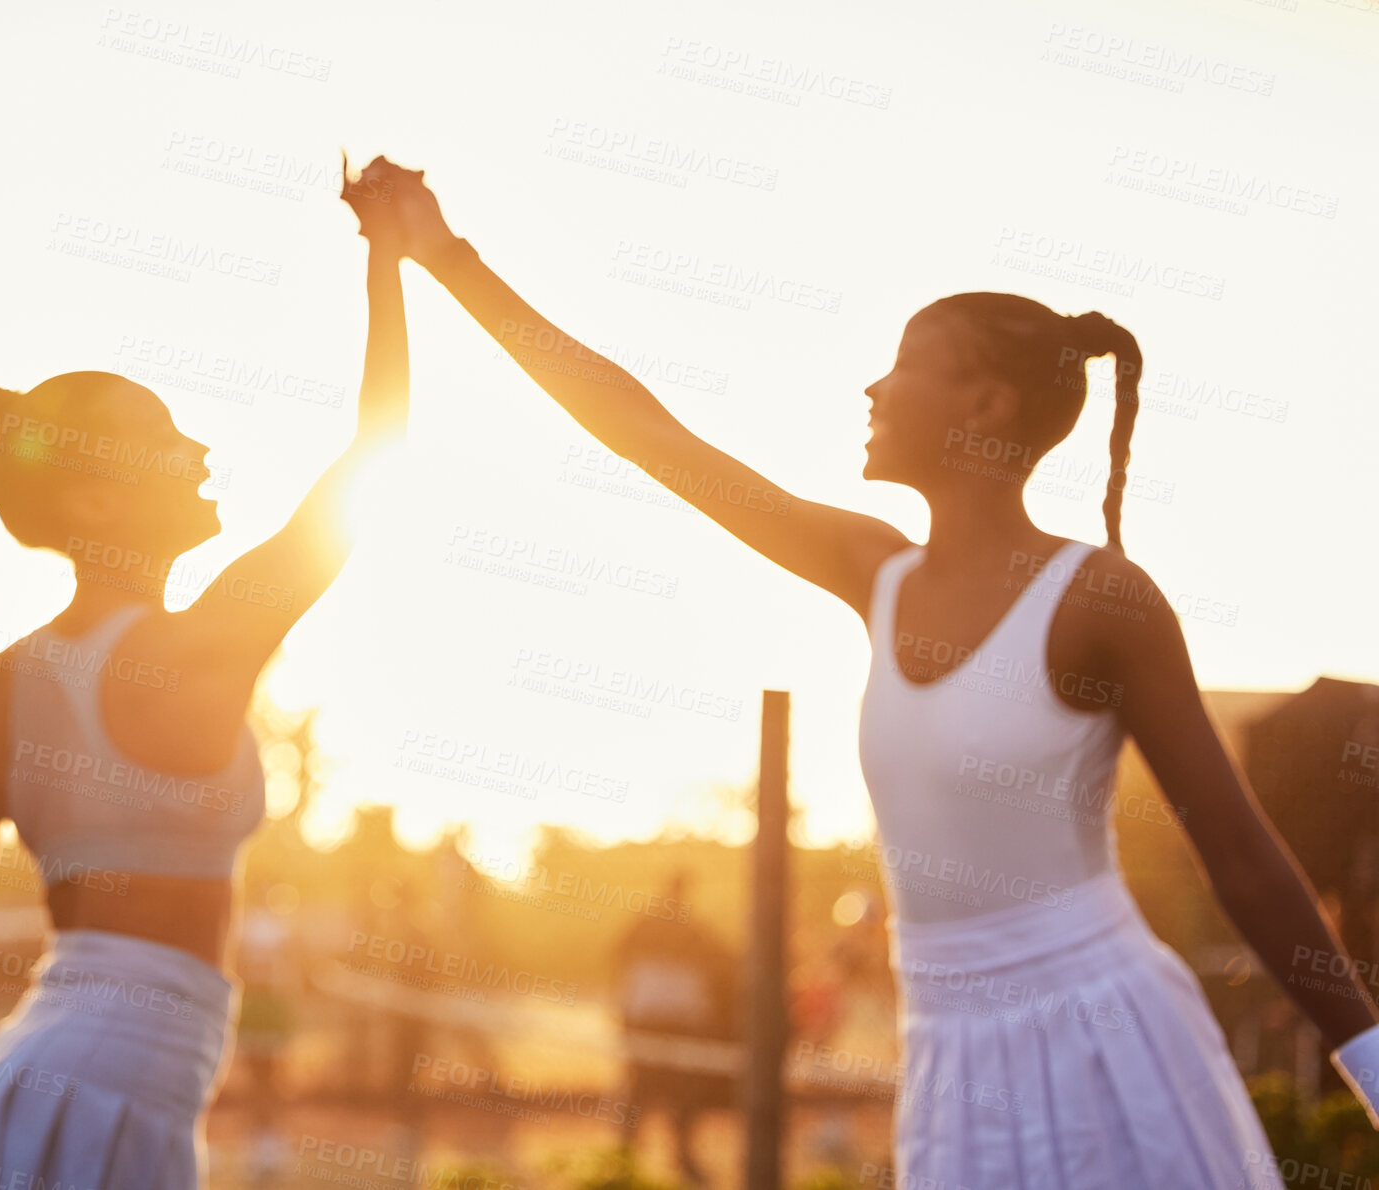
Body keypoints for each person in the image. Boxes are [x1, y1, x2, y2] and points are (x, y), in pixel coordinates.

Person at [373, 167, 1379, 1187]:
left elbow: (1243, 854)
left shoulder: (1098, 599)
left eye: (903, 366)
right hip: (948, 1056)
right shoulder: (876, 572)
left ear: (984, 403)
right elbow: (651, 439)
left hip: (1102, 1037)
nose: (873, 387)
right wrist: (447, 256)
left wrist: (1374, 1065)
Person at [0, 156, 416, 1190]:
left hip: (21, 1093)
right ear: (98, 504)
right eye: (161, 439)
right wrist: (388, 256)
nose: (197, 449)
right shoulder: (200, 642)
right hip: (112, 1098)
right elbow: (379, 446)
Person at [612, 872, 735, 1188]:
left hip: (674, 1021)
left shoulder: (689, 928)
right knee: (644, 1089)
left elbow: (718, 965)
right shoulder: (654, 926)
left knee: (677, 1092)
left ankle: (676, 1157)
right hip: (653, 1018)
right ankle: (624, 1161)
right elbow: (619, 961)